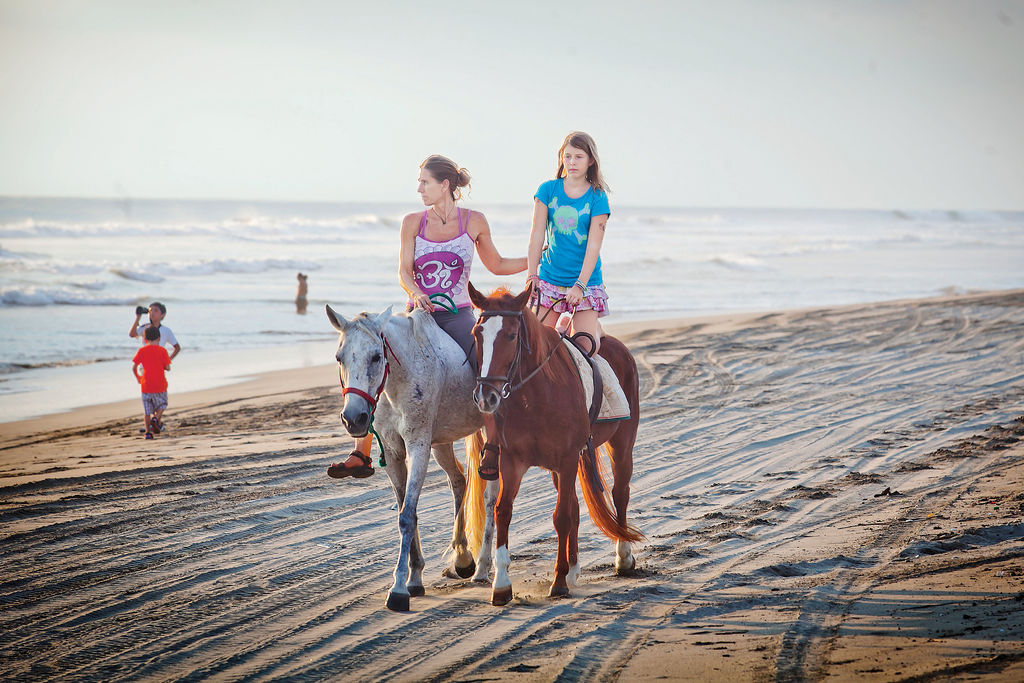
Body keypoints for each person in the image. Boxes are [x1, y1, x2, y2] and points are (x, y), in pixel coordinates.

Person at [327, 154, 527, 480]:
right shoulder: (412, 222)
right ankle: (361, 452)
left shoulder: (473, 221)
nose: (419, 188)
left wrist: (535, 260)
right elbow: (404, 272)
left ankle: (493, 444)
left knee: (487, 364)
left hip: (458, 316)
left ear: (444, 185)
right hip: (417, 316)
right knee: (369, 355)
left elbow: (497, 264)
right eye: (419, 182)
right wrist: (416, 292)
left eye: (424, 182)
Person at [527, 131, 611, 353]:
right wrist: (532, 275)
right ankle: (564, 325)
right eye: (568, 156)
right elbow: (537, 235)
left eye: (579, 157)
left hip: (585, 283)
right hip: (550, 278)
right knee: (537, 345)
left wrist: (580, 285)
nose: (572, 162)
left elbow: (594, 246)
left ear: (590, 160)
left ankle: (595, 328)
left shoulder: (597, 197)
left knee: (586, 346)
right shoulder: (547, 190)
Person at [132, 326, 171, 439]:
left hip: (146, 385)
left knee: (147, 411)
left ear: (145, 339)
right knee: (162, 404)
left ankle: (148, 432)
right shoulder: (162, 351)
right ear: (159, 338)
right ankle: (156, 418)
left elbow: (134, 367)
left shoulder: (142, 351)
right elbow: (167, 367)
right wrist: (164, 366)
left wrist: (138, 378)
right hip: (160, 385)